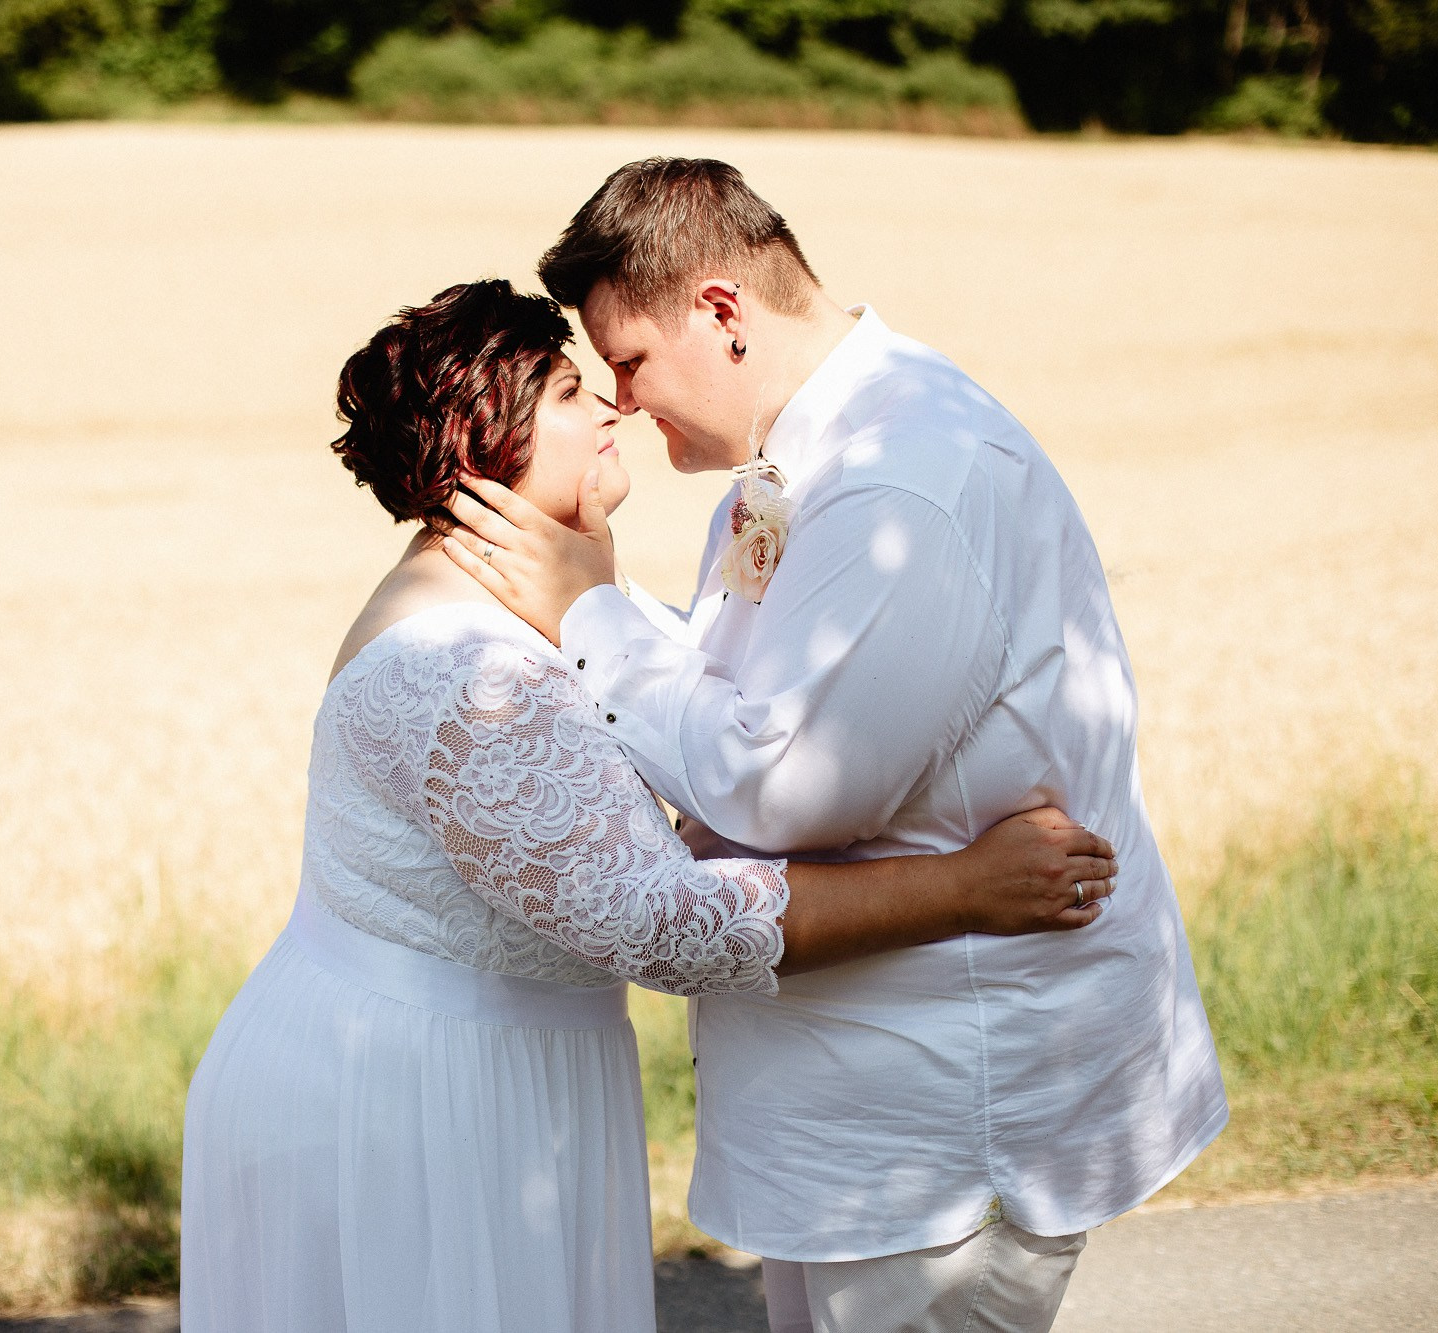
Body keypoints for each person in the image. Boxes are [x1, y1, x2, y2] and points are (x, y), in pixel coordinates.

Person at [177, 279, 1120, 1333]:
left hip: (488, 1075)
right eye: (570, 390)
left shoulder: (533, 596)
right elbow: (666, 925)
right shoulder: (469, 672)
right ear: (483, 438)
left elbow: (694, 708)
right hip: (406, 1104)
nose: (612, 406)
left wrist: (596, 591)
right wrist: (967, 887)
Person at [443, 160, 1227, 1333]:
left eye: (630, 359)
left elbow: (782, 785)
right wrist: (593, 604)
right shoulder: (808, 454)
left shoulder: (900, 484)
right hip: (850, 1108)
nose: (622, 400)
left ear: (720, 310)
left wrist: (588, 612)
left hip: (937, 1114)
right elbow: (746, 690)